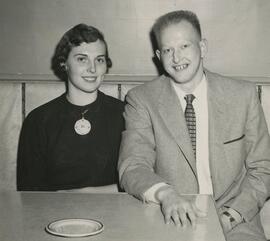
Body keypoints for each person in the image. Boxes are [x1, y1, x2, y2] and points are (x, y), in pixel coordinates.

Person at [118, 10, 270, 241]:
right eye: (168, 50)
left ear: (203, 47)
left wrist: (232, 216)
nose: (176, 58)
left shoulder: (243, 95)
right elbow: (133, 166)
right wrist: (165, 194)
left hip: (236, 217)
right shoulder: (141, 99)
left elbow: (263, 168)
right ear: (159, 55)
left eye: (185, 46)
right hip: (170, 214)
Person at [17, 24, 124, 192]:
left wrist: (86, 194)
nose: (93, 68)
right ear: (64, 63)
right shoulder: (38, 120)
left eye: (100, 60)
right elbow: (30, 192)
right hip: (55, 215)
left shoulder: (126, 114)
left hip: (116, 212)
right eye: (82, 59)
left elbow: (140, 180)